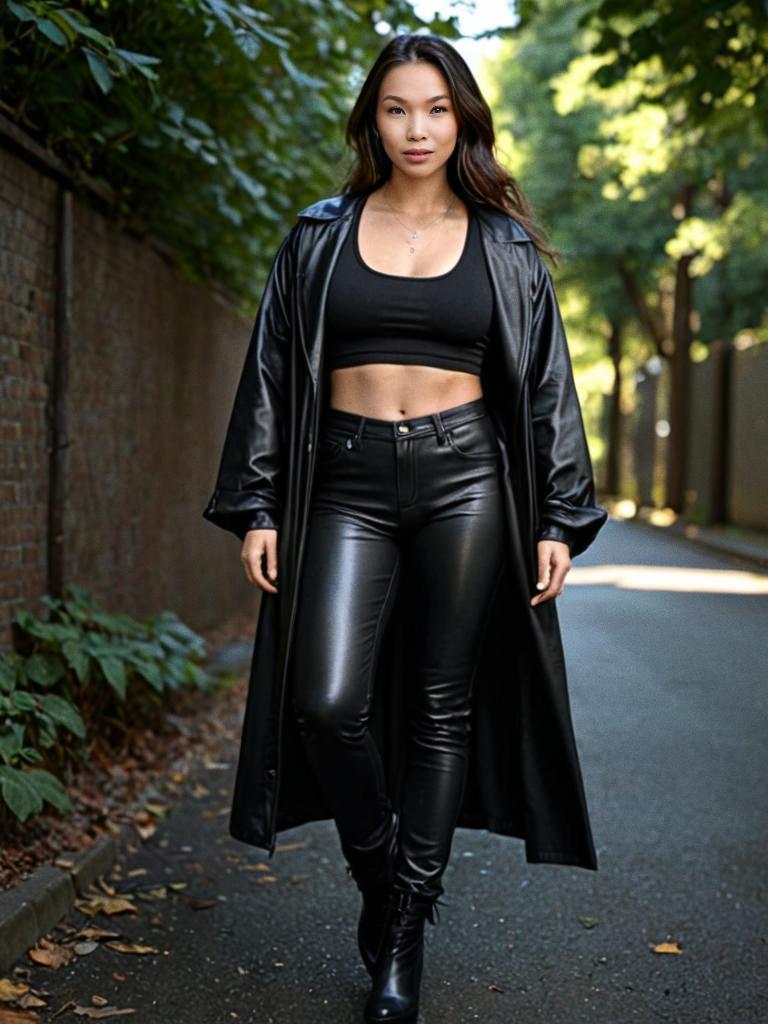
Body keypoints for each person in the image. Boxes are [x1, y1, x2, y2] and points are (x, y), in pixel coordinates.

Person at [202, 32, 607, 1024]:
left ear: (462, 116)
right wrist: (256, 502)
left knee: (439, 708)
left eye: (435, 109)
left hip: (470, 479)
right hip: (343, 478)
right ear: (371, 120)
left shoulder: (506, 245)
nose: (417, 128)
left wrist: (559, 512)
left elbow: (548, 386)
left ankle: (403, 938)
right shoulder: (318, 233)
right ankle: (389, 877)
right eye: (397, 108)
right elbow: (268, 372)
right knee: (326, 696)